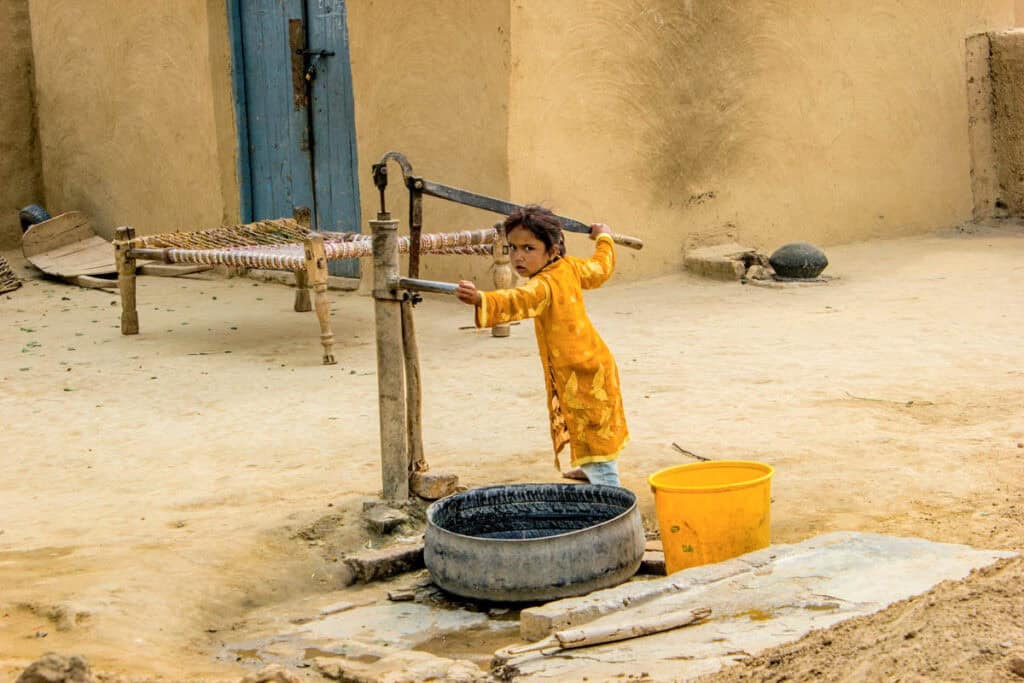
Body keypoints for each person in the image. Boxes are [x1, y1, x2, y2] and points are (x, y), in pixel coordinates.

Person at [455, 205, 628, 486]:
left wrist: (480, 300)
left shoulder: (544, 285)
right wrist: (604, 238)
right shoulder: (569, 267)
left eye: (529, 248)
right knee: (584, 425)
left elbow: (517, 300)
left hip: (582, 372)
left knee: (594, 432)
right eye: (513, 248)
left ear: (553, 250)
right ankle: (589, 469)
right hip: (590, 362)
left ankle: (610, 493)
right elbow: (600, 267)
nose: (518, 256)